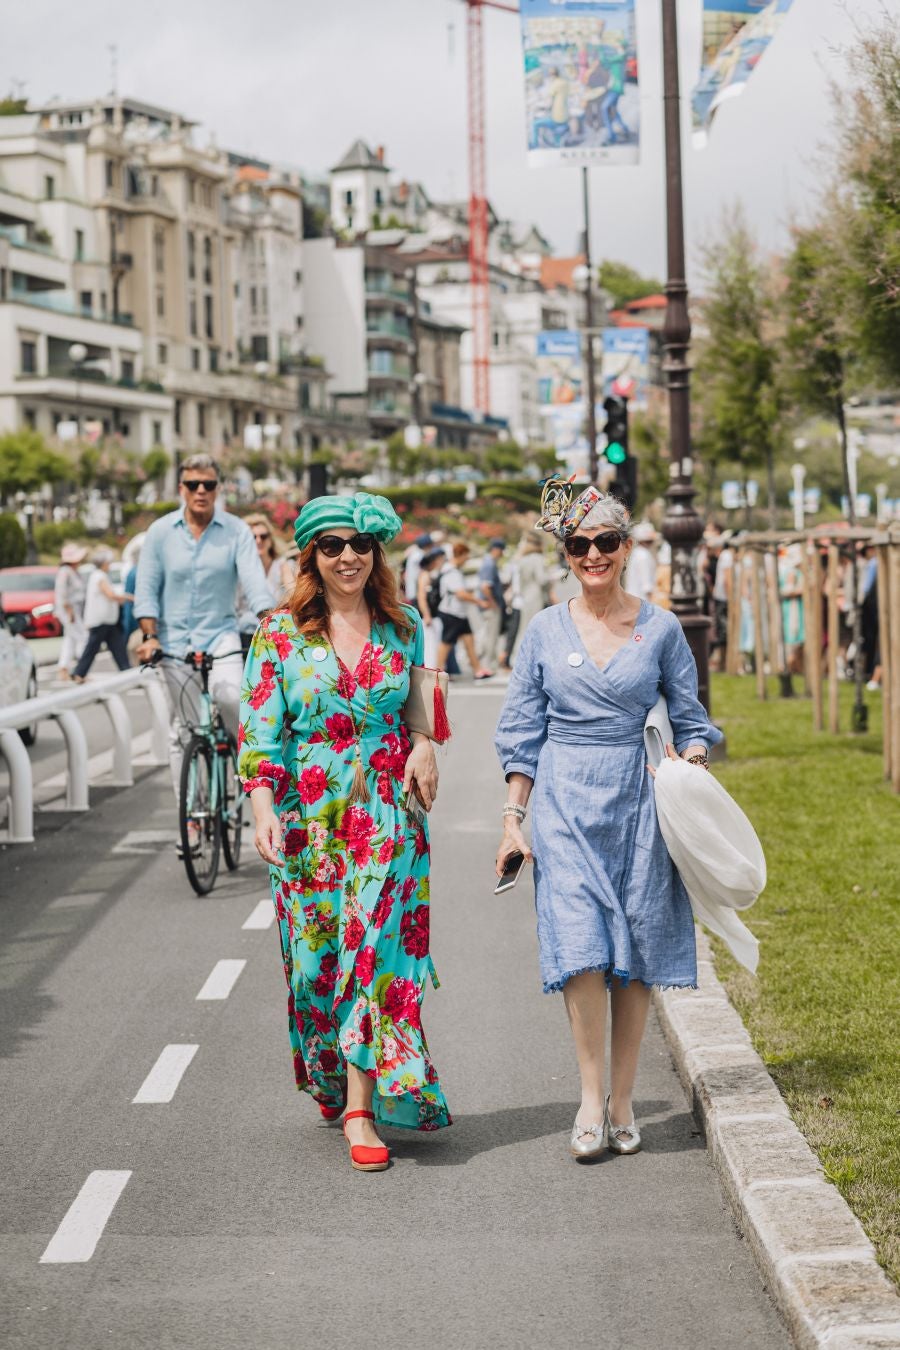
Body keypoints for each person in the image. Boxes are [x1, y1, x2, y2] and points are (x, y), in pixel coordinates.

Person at [494, 486, 722, 1162]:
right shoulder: (542, 630)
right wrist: (514, 819)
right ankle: (591, 1099)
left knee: (637, 953)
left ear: (625, 548)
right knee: (582, 947)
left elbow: (690, 713)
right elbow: (520, 732)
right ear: (566, 554)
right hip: (565, 799)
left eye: (606, 542)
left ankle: (626, 1100)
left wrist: (694, 757)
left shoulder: (661, 629)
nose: (593, 555)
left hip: (639, 800)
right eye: (579, 545)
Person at [239, 492, 450, 1172]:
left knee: (375, 961)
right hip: (310, 823)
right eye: (332, 546)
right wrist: (265, 808)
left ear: (376, 552)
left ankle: (363, 1106)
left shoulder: (405, 625)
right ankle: (331, 1076)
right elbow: (261, 734)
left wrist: (424, 745)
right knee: (314, 971)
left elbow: (425, 712)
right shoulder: (278, 636)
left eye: (360, 544)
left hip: (389, 818)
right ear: (311, 557)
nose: (348, 557)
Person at [133, 454, 272, 852]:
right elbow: (146, 590)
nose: (200, 492)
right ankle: (193, 820)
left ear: (218, 488)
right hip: (174, 644)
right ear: (181, 488)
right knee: (185, 730)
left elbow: (254, 581)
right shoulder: (160, 533)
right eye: (192, 484)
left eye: (208, 485)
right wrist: (150, 636)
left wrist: (269, 619)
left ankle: (248, 773)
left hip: (221, 636)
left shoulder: (236, 531)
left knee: (232, 697)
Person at [72, 549, 133, 681]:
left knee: (116, 646)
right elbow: (110, 595)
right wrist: (129, 598)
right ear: (104, 563)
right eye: (108, 563)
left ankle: (126, 670)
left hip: (107, 620)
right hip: (101, 620)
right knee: (93, 647)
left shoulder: (98, 575)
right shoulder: (99, 576)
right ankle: (79, 673)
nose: (109, 565)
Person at [435, 540, 493, 679]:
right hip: (451, 613)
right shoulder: (451, 571)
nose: (467, 559)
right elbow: (460, 594)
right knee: (446, 643)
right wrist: (478, 601)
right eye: (466, 556)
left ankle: (477, 669)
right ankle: (437, 672)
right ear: (460, 555)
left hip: (459, 613)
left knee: (469, 640)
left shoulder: (452, 570)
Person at [54, 542, 88, 679]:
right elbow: (62, 594)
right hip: (69, 610)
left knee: (70, 639)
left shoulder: (73, 572)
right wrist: (69, 611)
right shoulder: (65, 572)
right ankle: (81, 669)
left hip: (75, 609)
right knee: (82, 637)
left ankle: (63, 668)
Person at [475, 538, 506, 672]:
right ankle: (487, 665)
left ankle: (489, 664)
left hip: (487, 604)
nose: (502, 554)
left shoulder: (488, 562)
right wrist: (493, 603)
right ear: (496, 550)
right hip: (490, 605)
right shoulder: (489, 564)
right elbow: (485, 587)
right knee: (490, 636)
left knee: (489, 635)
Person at [623, 521, 658, 603]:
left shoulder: (637, 553)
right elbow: (647, 586)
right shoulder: (644, 555)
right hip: (641, 601)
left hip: (633, 599)